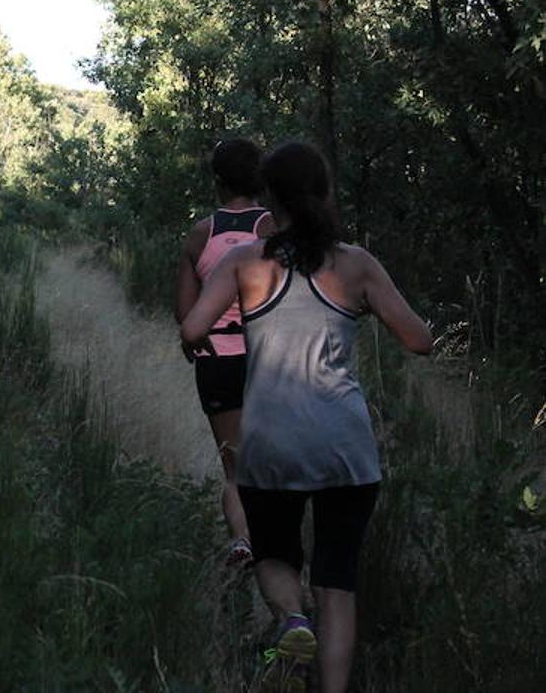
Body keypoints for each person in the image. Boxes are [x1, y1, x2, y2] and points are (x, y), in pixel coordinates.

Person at [181, 141, 431, 693]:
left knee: (274, 556)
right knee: (338, 582)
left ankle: (293, 620)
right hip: (346, 445)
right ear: (324, 194)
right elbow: (419, 340)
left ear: (272, 200)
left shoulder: (243, 261)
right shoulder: (356, 263)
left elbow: (193, 329)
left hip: (271, 443)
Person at [174, 138, 275, 568]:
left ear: (217, 181)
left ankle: (241, 540)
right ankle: (279, 561)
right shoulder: (272, 226)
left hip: (217, 359)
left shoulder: (202, 232)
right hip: (266, 359)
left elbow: (185, 311)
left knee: (234, 471)